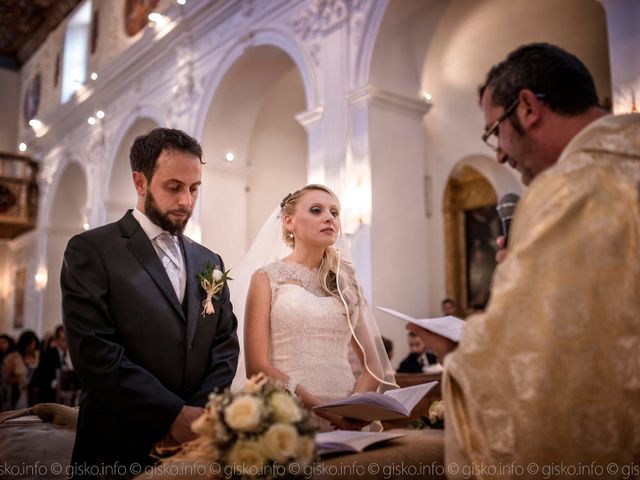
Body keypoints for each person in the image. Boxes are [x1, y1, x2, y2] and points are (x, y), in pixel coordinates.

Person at [409, 43, 640, 475]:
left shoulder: (566, 191)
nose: (498, 153)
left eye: (495, 131)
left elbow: (536, 371)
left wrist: (458, 349)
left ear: (529, 107)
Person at [61, 128, 239, 475]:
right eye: (173, 187)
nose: (186, 201)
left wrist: (198, 415)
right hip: (116, 445)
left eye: (194, 189)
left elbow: (224, 344)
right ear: (140, 183)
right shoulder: (93, 250)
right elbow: (94, 352)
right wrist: (172, 414)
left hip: (196, 444)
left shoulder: (209, 262)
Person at [243, 184, 396, 431]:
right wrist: (320, 409)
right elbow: (257, 366)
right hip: (289, 413)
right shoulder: (266, 278)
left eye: (334, 213)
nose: (329, 218)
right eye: (316, 210)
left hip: (347, 416)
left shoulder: (345, 281)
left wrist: (352, 409)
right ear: (289, 221)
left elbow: (372, 363)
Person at [30, 324, 73, 404]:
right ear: (56, 340)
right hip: (50, 397)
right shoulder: (47, 355)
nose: (67, 343)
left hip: (68, 396)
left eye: (68, 339)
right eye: (63, 340)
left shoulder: (72, 355)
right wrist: (53, 383)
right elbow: (39, 377)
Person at [2, 330, 39, 409]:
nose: (31, 347)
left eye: (32, 344)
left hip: (35, 392)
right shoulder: (14, 357)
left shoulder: (38, 355)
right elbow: (6, 378)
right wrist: (20, 379)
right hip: (18, 392)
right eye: (28, 345)